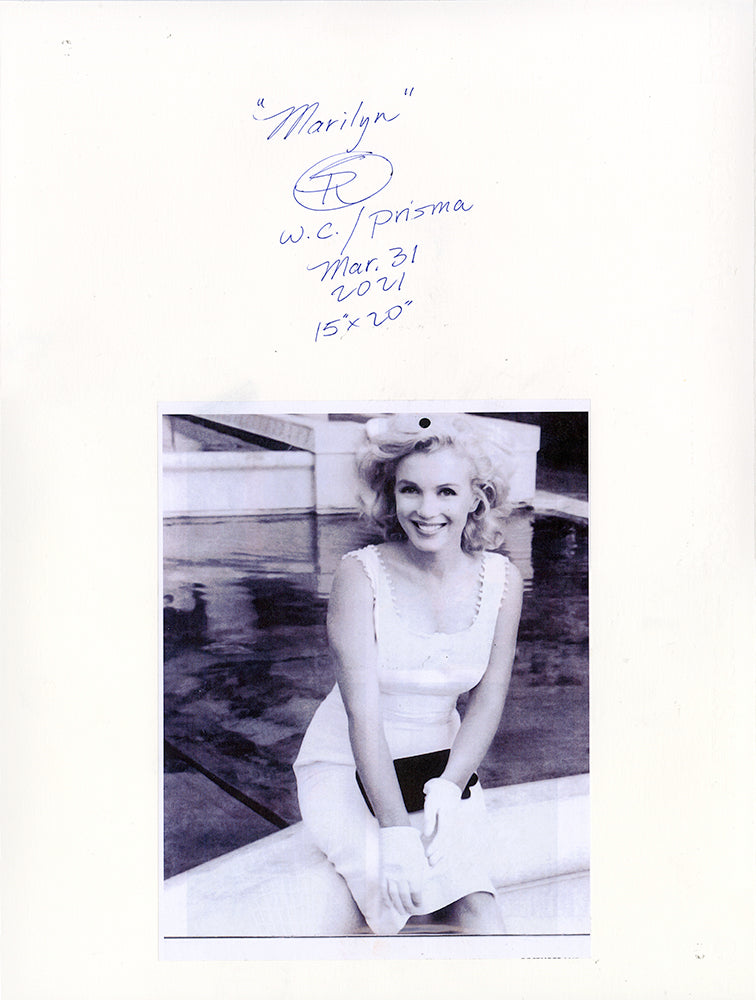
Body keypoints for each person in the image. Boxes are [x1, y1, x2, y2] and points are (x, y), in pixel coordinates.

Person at [293, 413, 523, 935]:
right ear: (390, 494)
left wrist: (450, 786)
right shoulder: (359, 575)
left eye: (446, 492)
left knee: (479, 910)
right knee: (410, 896)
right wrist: (395, 832)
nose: (426, 510)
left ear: (477, 497)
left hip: (441, 763)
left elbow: (488, 702)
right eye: (410, 490)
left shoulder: (504, 581)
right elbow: (362, 717)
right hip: (347, 763)